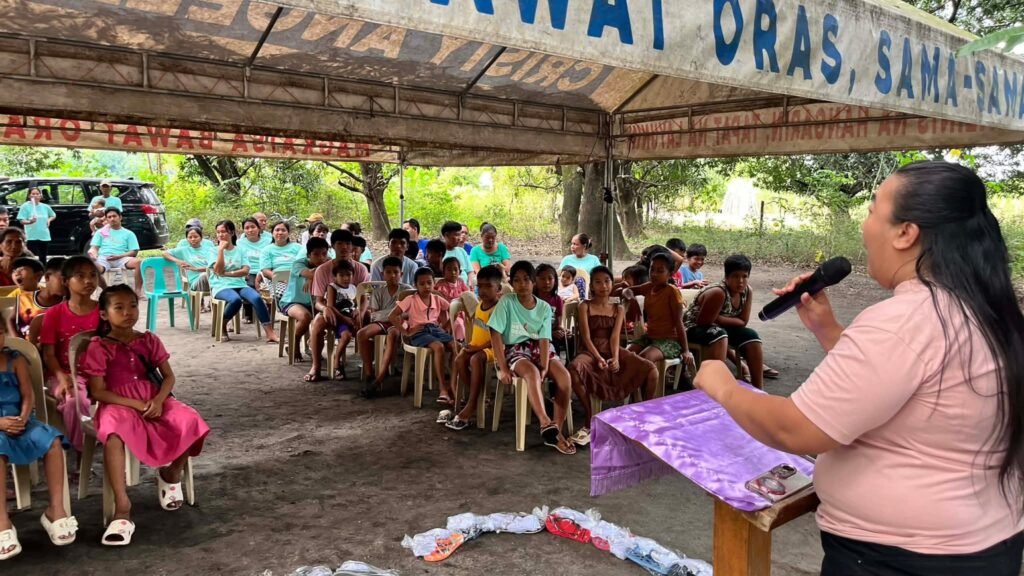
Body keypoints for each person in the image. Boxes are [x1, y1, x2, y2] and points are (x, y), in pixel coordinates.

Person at [695, 161, 1024, 575]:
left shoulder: (905, 319)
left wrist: (724, 385)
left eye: (871, 211)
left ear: (906, 233)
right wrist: (829, 330)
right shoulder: (986, 308)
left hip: (903, 560)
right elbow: (903, 385)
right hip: (984, 546)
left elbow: (794, 428)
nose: (864, 227)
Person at [81, 285, 209, 547]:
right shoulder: (98, 346)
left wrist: (159, 400)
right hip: (117, 403)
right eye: (119, 308)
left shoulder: (149, 340)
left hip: (154, 398)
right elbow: (98, 391)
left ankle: (171, 473)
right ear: (104, 314)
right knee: (113, 435)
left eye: (132, 306)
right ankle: (122, 507)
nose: (128, 312)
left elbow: (168, 377)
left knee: (190, 419)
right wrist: (136, 405)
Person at [0, 329, 77, 560]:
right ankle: (2, 521)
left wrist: (23, 418)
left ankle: (56, 510)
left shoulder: (16, 360)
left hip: (21, 420)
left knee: (52, 440)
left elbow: (28, 395)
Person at [488, 261, 575, 455]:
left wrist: (545, 365)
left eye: (526, 279)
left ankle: (555, 430)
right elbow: (495, 333)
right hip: (516, 349)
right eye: (517, 280)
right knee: (532, 373)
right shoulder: (507, 302)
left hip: (540, 348)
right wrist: (502, 367)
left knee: (564, 378)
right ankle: (545, 422)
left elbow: (544, 339)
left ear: (533, 281)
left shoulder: (544, 307)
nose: (522, 284)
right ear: (511, 283)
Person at [569, 266, 658, 446]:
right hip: (590, 350)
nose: (603, 286)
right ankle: (589, 416)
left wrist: (616, 358)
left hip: (612, 349)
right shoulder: (585, 305)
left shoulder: (618, 308)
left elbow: (615, 337)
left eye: (607, 281)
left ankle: (644, 416)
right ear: (592, 286)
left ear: (612, 283)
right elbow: (586, 337)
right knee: (574, 369)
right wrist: (598, 358)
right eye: (598, 282)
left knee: (651, 371)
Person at [40, 256, 100, 453]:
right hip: (65, 373)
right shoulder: (54, 314)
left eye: (93, 275)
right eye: (80, 276)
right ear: (66, 281)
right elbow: (49, 354)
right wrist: (62, 377)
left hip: (100, 373)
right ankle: (82, 452)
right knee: (74, 400)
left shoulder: (104, 311)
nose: (88, 280)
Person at [683, 254, 764, 389]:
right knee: (719, 335)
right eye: (735, 276)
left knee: (752, 336)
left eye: (744, 276)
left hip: (720, 327)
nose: (740, 281)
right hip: (693, 328)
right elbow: (704, 321)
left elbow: (743, 321)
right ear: (726, 277)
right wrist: (721, 320)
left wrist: (718, 318)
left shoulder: (747, 291)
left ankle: (758, 388)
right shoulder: (718, 292)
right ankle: (715, 387)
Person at [620, 252, 695, 378]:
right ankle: (627, 387)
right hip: (650, 337)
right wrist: (631, 298)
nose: (654, 274)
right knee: (625, 355)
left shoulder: (672, 292)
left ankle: (644, 389)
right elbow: (627, 290)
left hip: (669, 340)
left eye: (660, 271)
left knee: (645, 357)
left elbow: (679, 323)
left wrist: (686, 350)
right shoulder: (649, 287)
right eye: (652, 269)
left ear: (670, 274)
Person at [308, 229, 369, 382]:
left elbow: (365, 298)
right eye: (339, 243)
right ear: (333, 246)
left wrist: (360, 311)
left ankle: (370, 366)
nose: (344, 247)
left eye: (348, 243)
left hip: (353, 311)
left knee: (369, 318)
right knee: (318, 322)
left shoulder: (361, 269)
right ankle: (316, 366)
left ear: (352, 246)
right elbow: (318, 302)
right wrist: (326, 309)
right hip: (332, 311)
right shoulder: (322, 270)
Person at [447, 265, 503, 431]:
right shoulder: (479, 306)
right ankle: (478, 396)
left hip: (494, 349)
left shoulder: (499, 310)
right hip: (478, 347)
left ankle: (471, 405)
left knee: (475, 359)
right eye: (480, 286)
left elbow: (497, 339)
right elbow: (479, 333)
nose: (483, 290)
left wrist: (476, 349)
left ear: (499, 289)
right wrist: (470, 346)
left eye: (488, 286)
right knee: (460, 359)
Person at [391, 267, 457, 404]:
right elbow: (392, 316)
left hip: (435, 329)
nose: (426, 286)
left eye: (429, 283)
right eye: (422, 284)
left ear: (434, 283)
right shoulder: (410, 299)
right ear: (416, 285)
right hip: (419, 332)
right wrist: (406, 332)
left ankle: (454, 384)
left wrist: (446, 327)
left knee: (456, 346)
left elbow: (454, 310)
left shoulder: (437, 298)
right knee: (438, 347)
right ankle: (443, 388)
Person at [208, 220, 278, 343]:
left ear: (231, 232)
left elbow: (245, 271)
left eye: (223, 232)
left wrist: (228, 273)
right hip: (221, 286)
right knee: (235, 300)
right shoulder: (213, 251)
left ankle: (270, 333)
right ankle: (222, 325)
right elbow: (218, 270)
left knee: (257, 298)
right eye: (218, 232)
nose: (220, 235)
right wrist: (220, 251)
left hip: (240, 284)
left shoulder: (240, 250)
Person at [357, 257, 412, 397]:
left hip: (398, 324)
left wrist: (390, 315)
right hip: (382, 322)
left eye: (396, 272)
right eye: (388, 272)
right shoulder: (378, 291)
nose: (392, 275)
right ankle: (369, 373)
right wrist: (393, 314)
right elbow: (374, 315)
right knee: (361, 334)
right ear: (382, 274)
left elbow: (407, 314)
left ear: (401, 274)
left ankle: (380, 378)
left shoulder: (407, 290)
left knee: (392, 334)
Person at [279, 237, 330, 366]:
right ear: (308, 255)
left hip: (315, 303)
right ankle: (294, 343)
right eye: (316, 254)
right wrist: (312, 277)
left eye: (324, 254)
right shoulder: (298, 264)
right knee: (305, 317)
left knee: (325, 318)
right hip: (292, 301)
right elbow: (311, 274)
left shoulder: (328, 264)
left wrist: (313, 278)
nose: (321, 258)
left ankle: (314, 346)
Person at [88, 208, 142, 296]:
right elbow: (94, 248)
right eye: (109, 217)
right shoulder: (100, 232)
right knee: (92, 267)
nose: (112, 219)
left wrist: (119, 256)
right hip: (104, 258)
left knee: (139, 262)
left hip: (122, 258)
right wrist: (93, 253)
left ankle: (138, 291)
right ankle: (106, 290)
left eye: (114, 216)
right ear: (106, 219)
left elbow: (134, 252)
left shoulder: (129, 233)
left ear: (120, 217)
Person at [324, 258, 358, 379]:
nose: (345, 278)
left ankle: (368, 363)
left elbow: (355, 303)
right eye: (342, 275)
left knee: (366, 331)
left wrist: (357, 311)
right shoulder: (332, 287)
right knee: (346, 336)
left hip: (350, 318)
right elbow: (331, 307)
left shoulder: (353, 288)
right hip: (339, 319)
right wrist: (345, 319)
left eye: (348, 275)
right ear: (335, 276)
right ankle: (337, 362)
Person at [236, 217, 272, 323]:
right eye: (247, 228)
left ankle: (269, 313)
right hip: (249, 271)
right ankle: (249, 314)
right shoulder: (239, 243)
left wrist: (263, 272)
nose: (250, 230)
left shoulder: (268, 241)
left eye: (253, 227)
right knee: (248, 285)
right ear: (243, 230)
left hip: (264, 270)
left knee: (270, 286)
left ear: (258, 228)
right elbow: (238, 259)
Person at [163, 224, 216, 294]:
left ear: (201, 238)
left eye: (195, 237)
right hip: (196, 281)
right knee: (204, 275)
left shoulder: (209, 250)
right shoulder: (184, 250)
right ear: (187, 239)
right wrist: (178, 261)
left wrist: (196, 269)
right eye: (190, 237)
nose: (193, 239)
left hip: (212, 278)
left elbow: (214, 267)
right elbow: (165, 253)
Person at [259, 221, 304, 301]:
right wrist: (282, 279)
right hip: (277, 280)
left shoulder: (298, 248)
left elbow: (303, 265)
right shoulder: (267, 250)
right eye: (277, 230)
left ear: (288, 233)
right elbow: (266, 271)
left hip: (297, 278)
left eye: (283, 230)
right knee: (286, 293)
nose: (280, 233)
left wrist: (293, 279)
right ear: (272, 233)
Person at [6, 258, 49, 339]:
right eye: (14, 271)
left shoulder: (46, 295)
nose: (16, 273)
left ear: (38, 275)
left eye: (22, 269)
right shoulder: (12, 297)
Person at [534, 264, 569, 356]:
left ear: (555, 280)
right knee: (554, 344)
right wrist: (551, 333)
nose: (547, 282)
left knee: (571, 340)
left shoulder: (557, 299)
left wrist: (563, 330)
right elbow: (531, 326)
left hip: (553, 332)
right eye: (542, 279)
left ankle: (569, 362)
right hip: (537, 334)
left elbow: (558, 323)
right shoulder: (531, 300)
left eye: (550, 278)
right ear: (535, 280)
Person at [17, 187, 57, 265]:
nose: (35, 196)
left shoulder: (45, 207)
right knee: (30, 256)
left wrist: (49, 220)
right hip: (31, 236)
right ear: (29, 195)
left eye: (37, 194)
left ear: (40, 195)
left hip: (44, 235)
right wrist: (30, 221)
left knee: (43, 256)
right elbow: (21, 220)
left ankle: (42, 270)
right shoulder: (25, 206)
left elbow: (53, 215)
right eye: (33, 194)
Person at [434, 256, 470, 341]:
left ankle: (461, 341)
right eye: (449, 270)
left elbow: (468, 295)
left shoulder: (461, 282)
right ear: (443, 272)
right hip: (446, 313)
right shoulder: (441, 284)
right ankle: (455, 342)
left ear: (459, 271)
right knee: (458, 324)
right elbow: (438, 299)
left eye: (455, 269)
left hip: (461, 312)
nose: (453, 272)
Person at [559, 233, 601, 299]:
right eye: (572, 244)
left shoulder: (594, 259)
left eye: (575, 244)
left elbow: (599, 276)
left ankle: (581, 301)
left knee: (580, 280)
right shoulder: (566, 259)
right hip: (566, 292)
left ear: (584, 246)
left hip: (588, 291)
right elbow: (559, 276)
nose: (572, 246)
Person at [441, 221, 474, 287]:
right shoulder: (440, 253)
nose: (459, 238)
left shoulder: (462, 251)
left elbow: (470, 271)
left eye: (459, 235)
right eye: (456, 235)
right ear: (446, 235)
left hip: (465, 287)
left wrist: (470, 284)